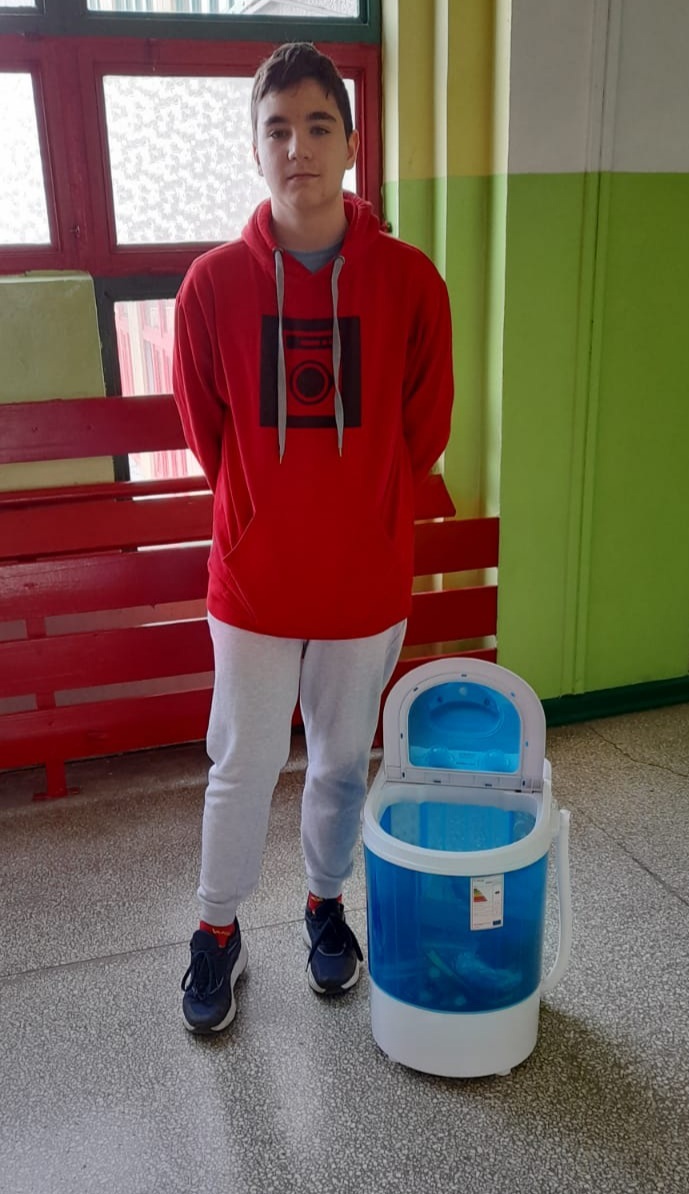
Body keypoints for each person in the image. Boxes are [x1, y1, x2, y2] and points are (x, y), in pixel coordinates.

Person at [173, 41, 454, 1034]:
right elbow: (206, 435)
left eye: (317, 125)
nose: (298, 147)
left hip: (363, 578)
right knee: (241, 764)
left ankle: (324, 907)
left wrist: (357, 506)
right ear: (256, 150)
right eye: (278, 129)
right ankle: (216, 930)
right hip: (253, 581)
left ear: (350, 143)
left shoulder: (410, 282)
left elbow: (424, 429)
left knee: (338, 762)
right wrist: (264, 513)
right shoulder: (210, 286)